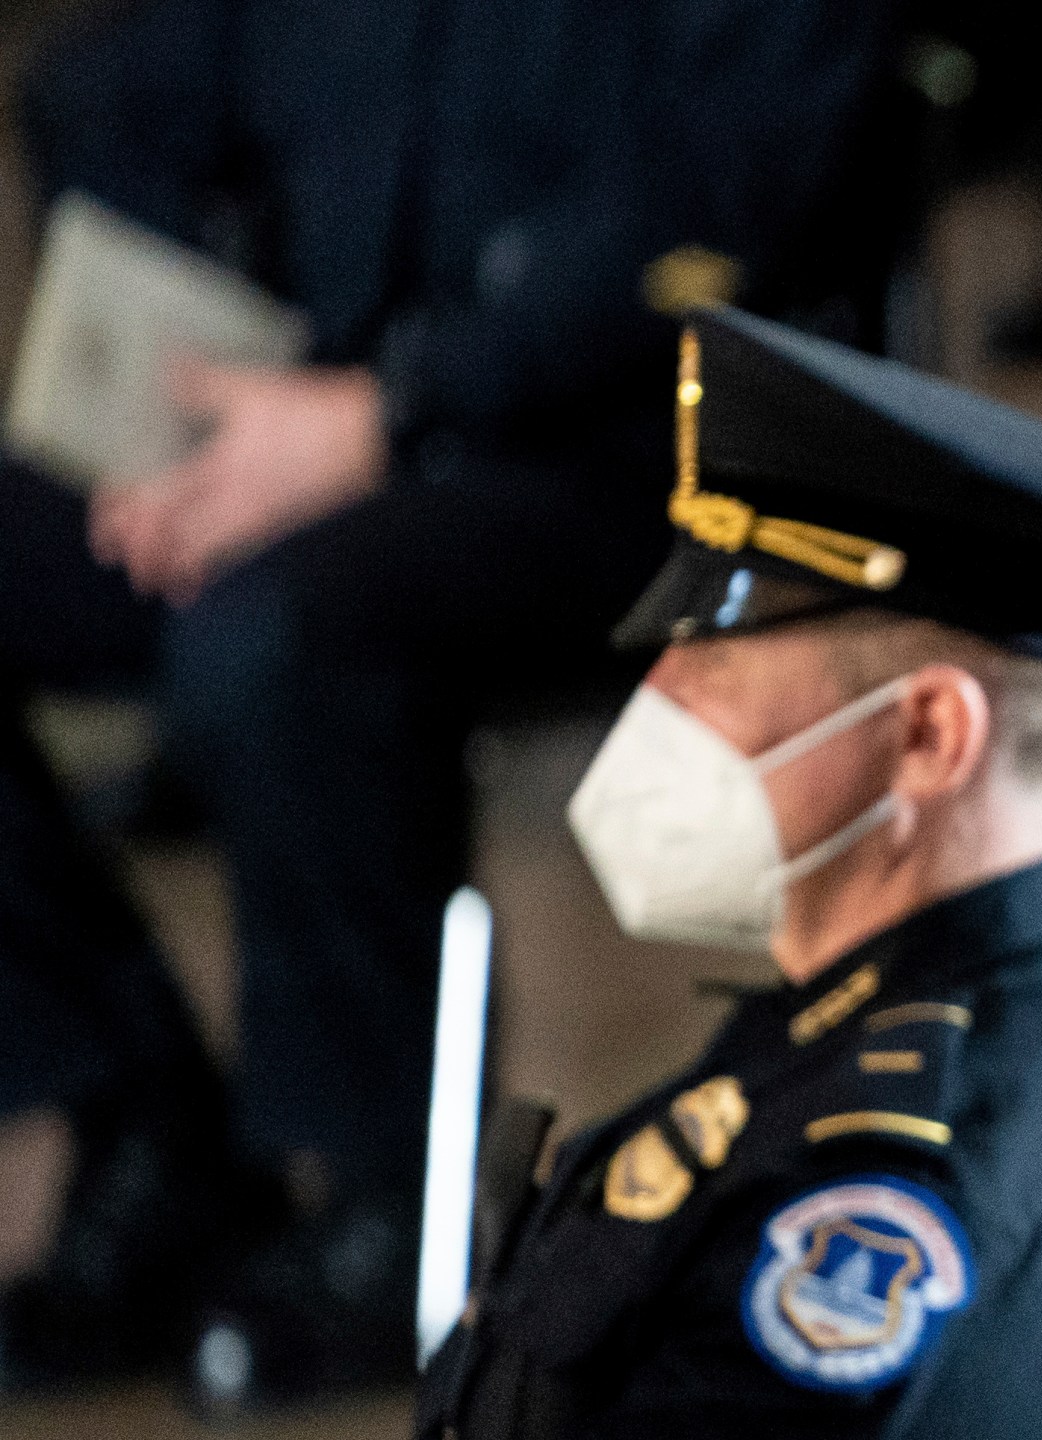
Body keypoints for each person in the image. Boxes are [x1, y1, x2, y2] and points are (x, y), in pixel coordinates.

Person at [0, 0, 917, 1402]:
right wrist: (180, 370)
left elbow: (753, 183)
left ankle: (381, 1215)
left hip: (647, 455)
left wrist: (396, 408)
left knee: (276, 634)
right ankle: (139, 1125)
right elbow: (117, 91)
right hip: (328, 418)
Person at [414, 308, 1042, 1439]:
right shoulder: (1018, 1056)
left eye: (711, 654)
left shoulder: (890, 1222)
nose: (656, 695)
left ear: (926, 740)